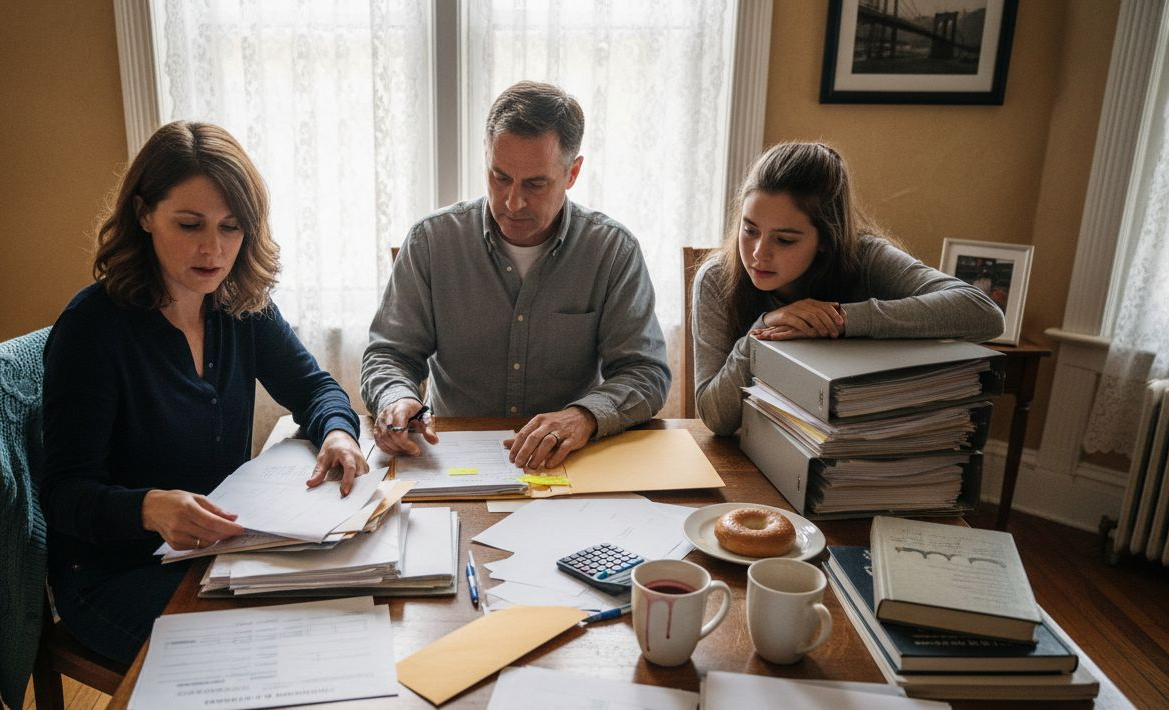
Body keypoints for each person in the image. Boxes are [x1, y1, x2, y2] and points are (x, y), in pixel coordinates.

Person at [40, 121, 367, 664]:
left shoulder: (238, 303)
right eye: (190, 224)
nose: (213, 249)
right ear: (144, 214)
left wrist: (338, 433)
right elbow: (62, 494)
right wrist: (148, 508)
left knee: (341, 609)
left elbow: (313, 387)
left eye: (231, 227)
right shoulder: (92, 330)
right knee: (272, 655)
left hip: (218, 552)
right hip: (117, 574)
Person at [361, 80, 670, 470]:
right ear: (486, 157)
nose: (513, 202)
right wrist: (396, 398)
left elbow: (645, 372)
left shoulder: (612, 251)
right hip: (452, 459)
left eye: (535, 184)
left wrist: (583, 417)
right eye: (500, 177)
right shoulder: (432, 241)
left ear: (572, 173)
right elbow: (389, 353)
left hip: (566, 460)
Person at [692, 141, 1005, 436]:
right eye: (750, 230)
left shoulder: (867, 257)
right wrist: (760, 333)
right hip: (757, 445)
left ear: (827, 239)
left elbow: (984, 313)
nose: (759, 253)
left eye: (784, 240)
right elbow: (715, 418)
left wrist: (840, 320)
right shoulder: (717, 277)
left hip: (862, 442)